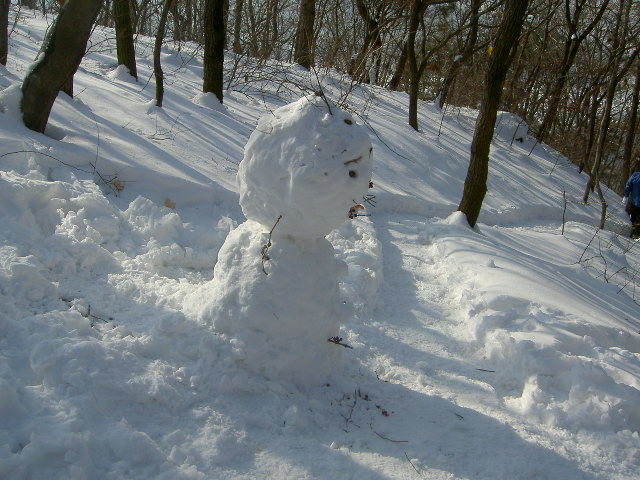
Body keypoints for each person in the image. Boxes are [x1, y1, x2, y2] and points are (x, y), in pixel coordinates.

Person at [623, 163, 640, 239]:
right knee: (638, 220)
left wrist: (625, 196)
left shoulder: (635, 175)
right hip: (635, 202)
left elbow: (628, 185)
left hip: (634, 202)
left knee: (634, 218)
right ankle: (635, 236)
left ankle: (633, 234)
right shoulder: (636, 175)